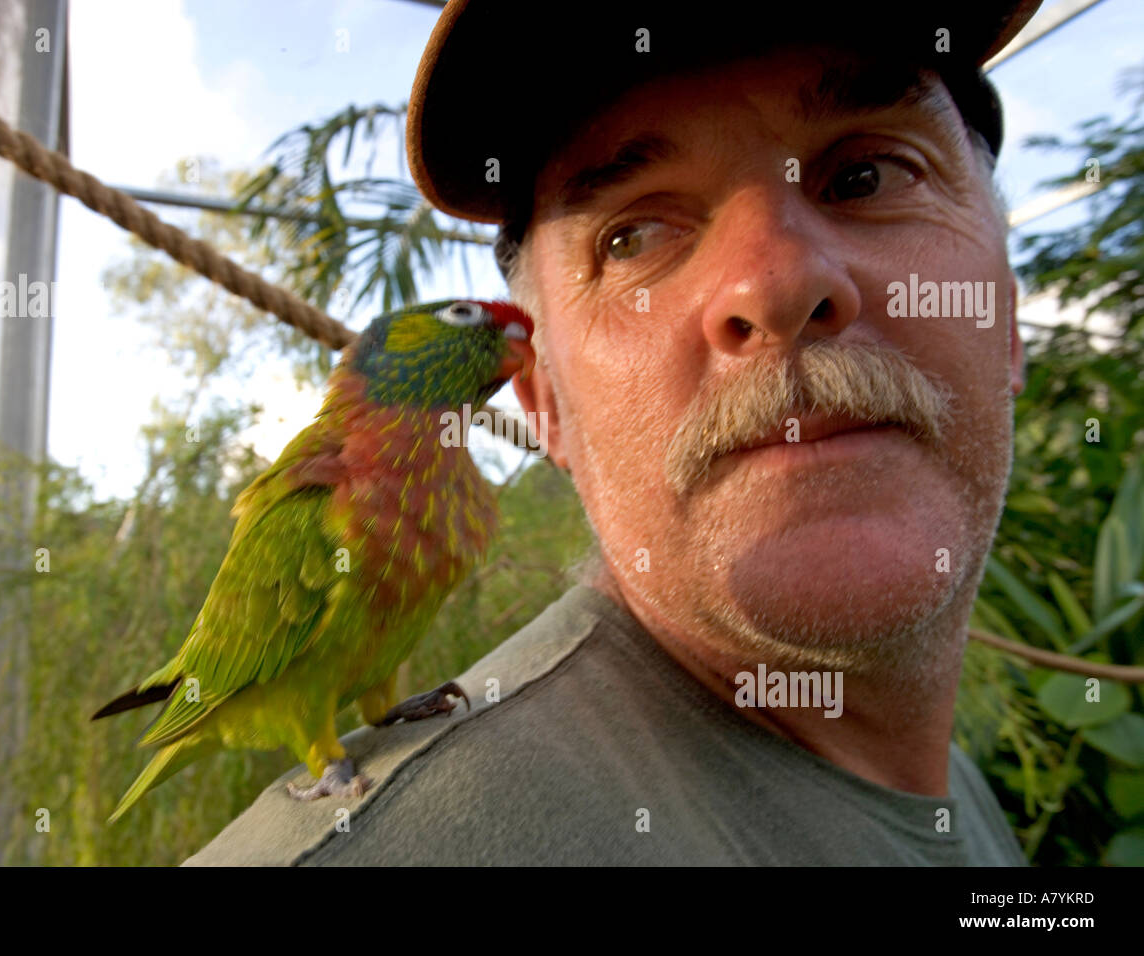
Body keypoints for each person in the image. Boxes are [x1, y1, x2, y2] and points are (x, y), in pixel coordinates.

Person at [185, 0, 1039, 865]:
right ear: (542, 402)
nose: (775, 285)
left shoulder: (956, 794)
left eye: (866, 177)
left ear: (1006, 323)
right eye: (632, 236)